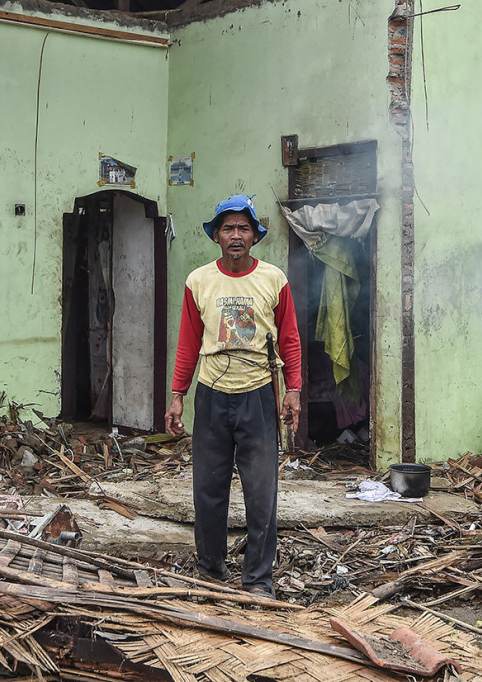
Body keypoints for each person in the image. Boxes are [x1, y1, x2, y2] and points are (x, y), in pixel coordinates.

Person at [164, 194, 302, 598]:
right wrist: (178, 395)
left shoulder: (274, 280)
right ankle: (210, 569)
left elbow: (290, 339)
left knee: (261, 493)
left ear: (255, 236)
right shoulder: (199, 281)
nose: (236, 235)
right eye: (228, 228)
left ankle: (258, 580)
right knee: (208, 490)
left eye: (244, 228)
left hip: (258, 396)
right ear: (216, 236)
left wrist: (293, 389)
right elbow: (188, 343)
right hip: (211, 396)